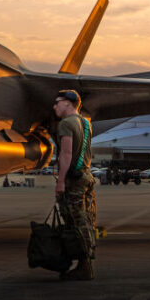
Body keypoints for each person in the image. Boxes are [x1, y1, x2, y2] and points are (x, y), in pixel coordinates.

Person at [53, 89, 96, 280]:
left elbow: (66, 153)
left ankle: (84, 266)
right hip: (86, 176)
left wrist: (61, 181)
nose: (54, 106)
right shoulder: (85, 123)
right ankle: (86, 263)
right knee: (86, 220)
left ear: (68, 104)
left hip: (75, 180)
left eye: (57, 102)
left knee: (76, 221)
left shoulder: (66, 124)